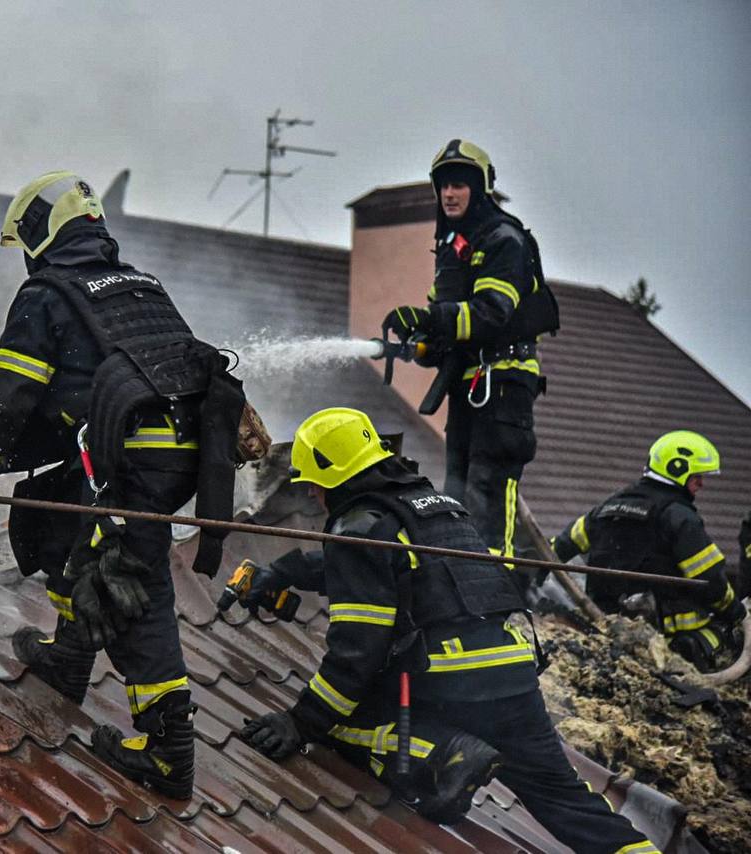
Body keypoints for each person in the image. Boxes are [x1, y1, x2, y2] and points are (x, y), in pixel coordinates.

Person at [0, 171, 245, 799]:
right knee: (59, 518)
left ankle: (169, 749)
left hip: (130, 463)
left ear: (43, 232)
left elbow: (6, 403)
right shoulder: (143, 285)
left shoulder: (48, 295)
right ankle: (69, 656)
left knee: (129, 587)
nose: (26, 260)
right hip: (177, 457)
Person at [238, 407, 659, 852]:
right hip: (513, 672)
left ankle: (444, 753)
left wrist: (299, 722)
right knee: (566, 799)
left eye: (312, 485)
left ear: (330, 474)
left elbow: (355, 654)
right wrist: (285, 572)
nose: (311, 495)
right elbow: (389, 569)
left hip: (449, 680)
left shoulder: (358, 525)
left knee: (340, 720)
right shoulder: (433, 508)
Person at [383, 140, 559, 561]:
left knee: (488, 487)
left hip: (504, 384)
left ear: (480, 188)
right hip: (470, 384)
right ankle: (461, 573)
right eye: (444, 185)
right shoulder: (451, 249)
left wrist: (427, 321)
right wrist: (421, 344)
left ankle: (497, 587)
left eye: (460, 184)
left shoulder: (503, 240)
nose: (449, 193)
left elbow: (489, 314)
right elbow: (446, 325)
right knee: (457, 486)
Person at [551, 431, 745, 671]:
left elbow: (556, 550)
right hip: (669, 641)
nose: (701, 483)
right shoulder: (680, 517)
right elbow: (711, 582)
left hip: (603, 633)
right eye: (697, 476)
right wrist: (737, 612)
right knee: (729, 638)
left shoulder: (608, 507)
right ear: (678, 469)